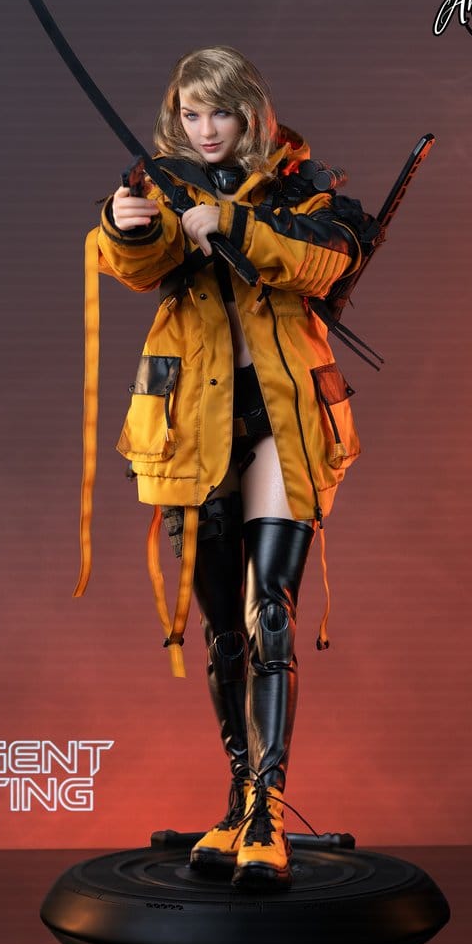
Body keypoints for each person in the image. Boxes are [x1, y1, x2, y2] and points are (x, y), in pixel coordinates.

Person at [88, 45, 362, 889]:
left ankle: (267, 814)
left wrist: (236, 226)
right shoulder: (164, 186)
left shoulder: (305, 190)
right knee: (222, 631)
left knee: (268, 610)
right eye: (191, 113)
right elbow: (136, 265)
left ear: (251, 113)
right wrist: (125, 224)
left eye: (221, 113)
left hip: (283, 416)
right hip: (191, 424)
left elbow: (329, 255)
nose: (206, 129)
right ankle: (240, 798)